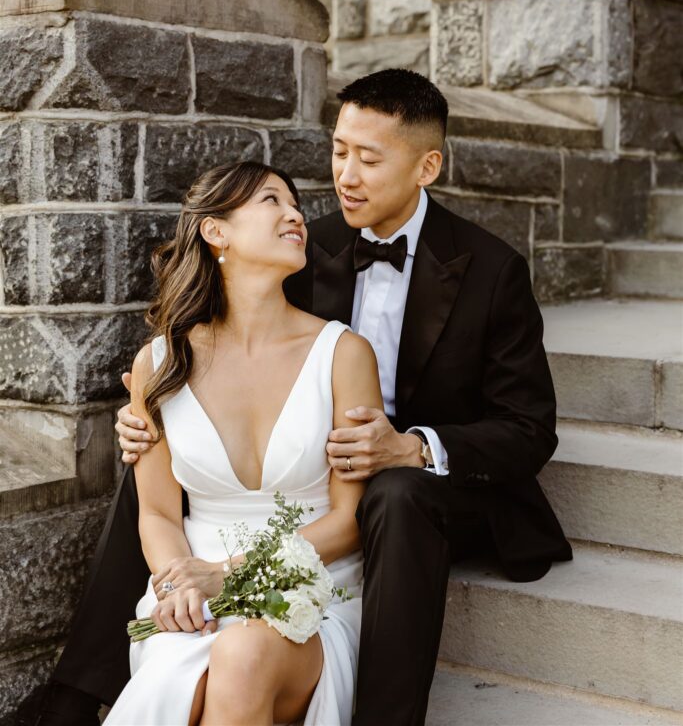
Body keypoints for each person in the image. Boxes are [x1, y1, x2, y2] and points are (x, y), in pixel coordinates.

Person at [39, 68, 571, 726]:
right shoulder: (304, 244)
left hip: (424, 491)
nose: (345, 175)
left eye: (368, 158)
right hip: (310, 468)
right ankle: (76, 694)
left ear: (426, 166)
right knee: (152, 460)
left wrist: (411, 447)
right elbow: (236, 346)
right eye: (338, 151)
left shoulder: (492, 269)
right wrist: (150, 408)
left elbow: (528, 428)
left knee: (394, 493)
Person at [97, 160, 382, 724]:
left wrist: (227, 573)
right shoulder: (160, 363)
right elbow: (157, 512)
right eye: (272, 201)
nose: (295, 214)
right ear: (215, 231)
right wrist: (177, 583)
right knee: (200, 669)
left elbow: (349, 520)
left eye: (295, 204)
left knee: (245, 651)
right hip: (190, 597)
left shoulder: (343, 354)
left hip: (314, 591)